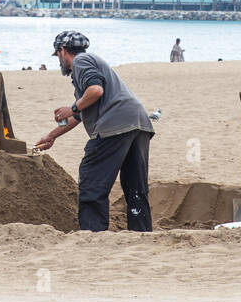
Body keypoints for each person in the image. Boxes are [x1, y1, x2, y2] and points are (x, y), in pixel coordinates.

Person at [35, 31, 154, 232]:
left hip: (114, 124)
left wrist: (72, 107)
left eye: (57, 56)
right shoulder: (92, 62)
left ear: (63, 51)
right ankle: (141, 232)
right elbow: (80, 115)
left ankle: (93, 234)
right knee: (135, 186)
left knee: (91, 180)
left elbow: (95, 91)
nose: (59, 62)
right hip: (139, 123)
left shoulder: (81, 62)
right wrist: (52, 135)